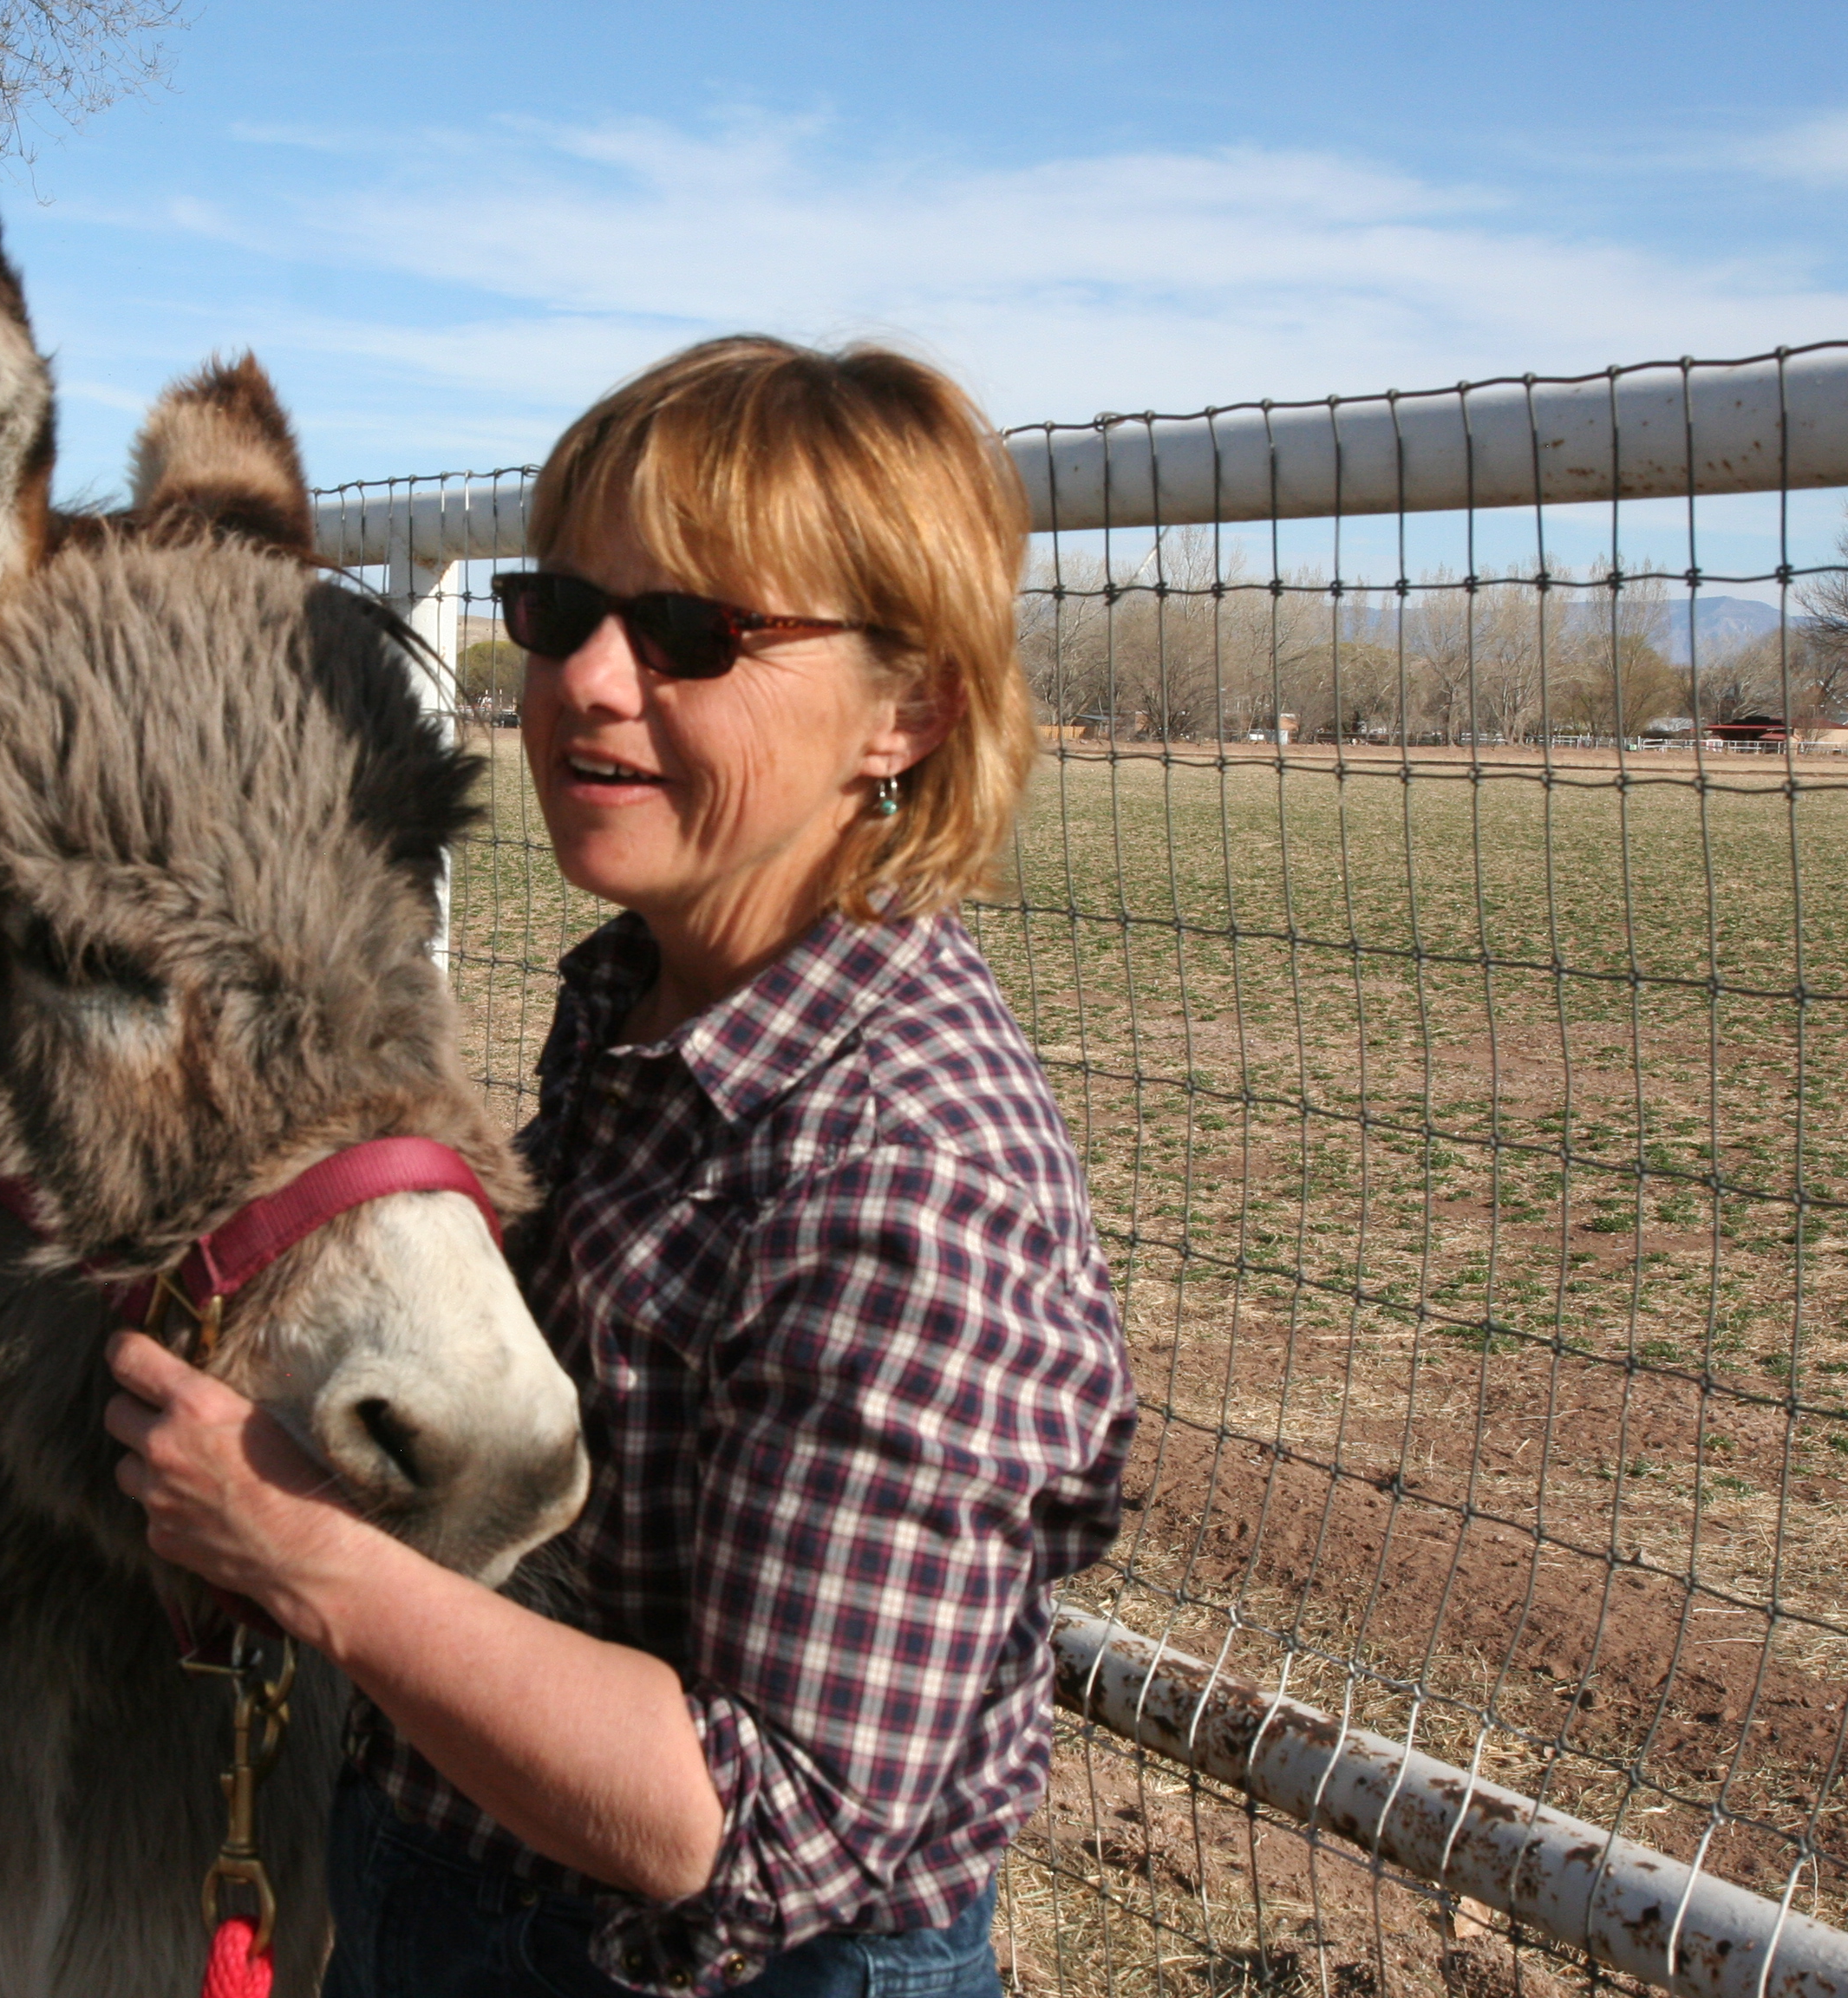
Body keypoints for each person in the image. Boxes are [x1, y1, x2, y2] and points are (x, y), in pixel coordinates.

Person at [105, 336, 1134, 1998]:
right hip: (459, 1896)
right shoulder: (655, 1003)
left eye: (690, 633)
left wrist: (293, 1545)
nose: (586, 679)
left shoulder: (914, 1172)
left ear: (909, 710)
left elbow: (741, 1821)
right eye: (560, 607)